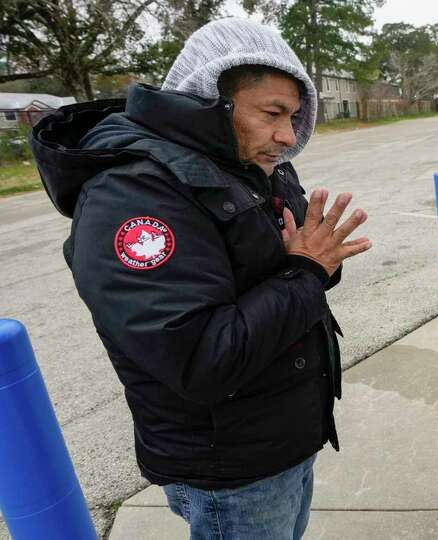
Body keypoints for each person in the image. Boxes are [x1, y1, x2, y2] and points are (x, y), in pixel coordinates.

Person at [28, 18, 371, 539]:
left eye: (295, 116)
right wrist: (307, 270)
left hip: (281, 437)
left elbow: (292, 265)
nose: (287, 135)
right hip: (230, 469)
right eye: (273, 113)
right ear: (210, 100)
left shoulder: (248, 162)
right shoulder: (136, 192)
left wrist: (317, 261)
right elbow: (199, 357)